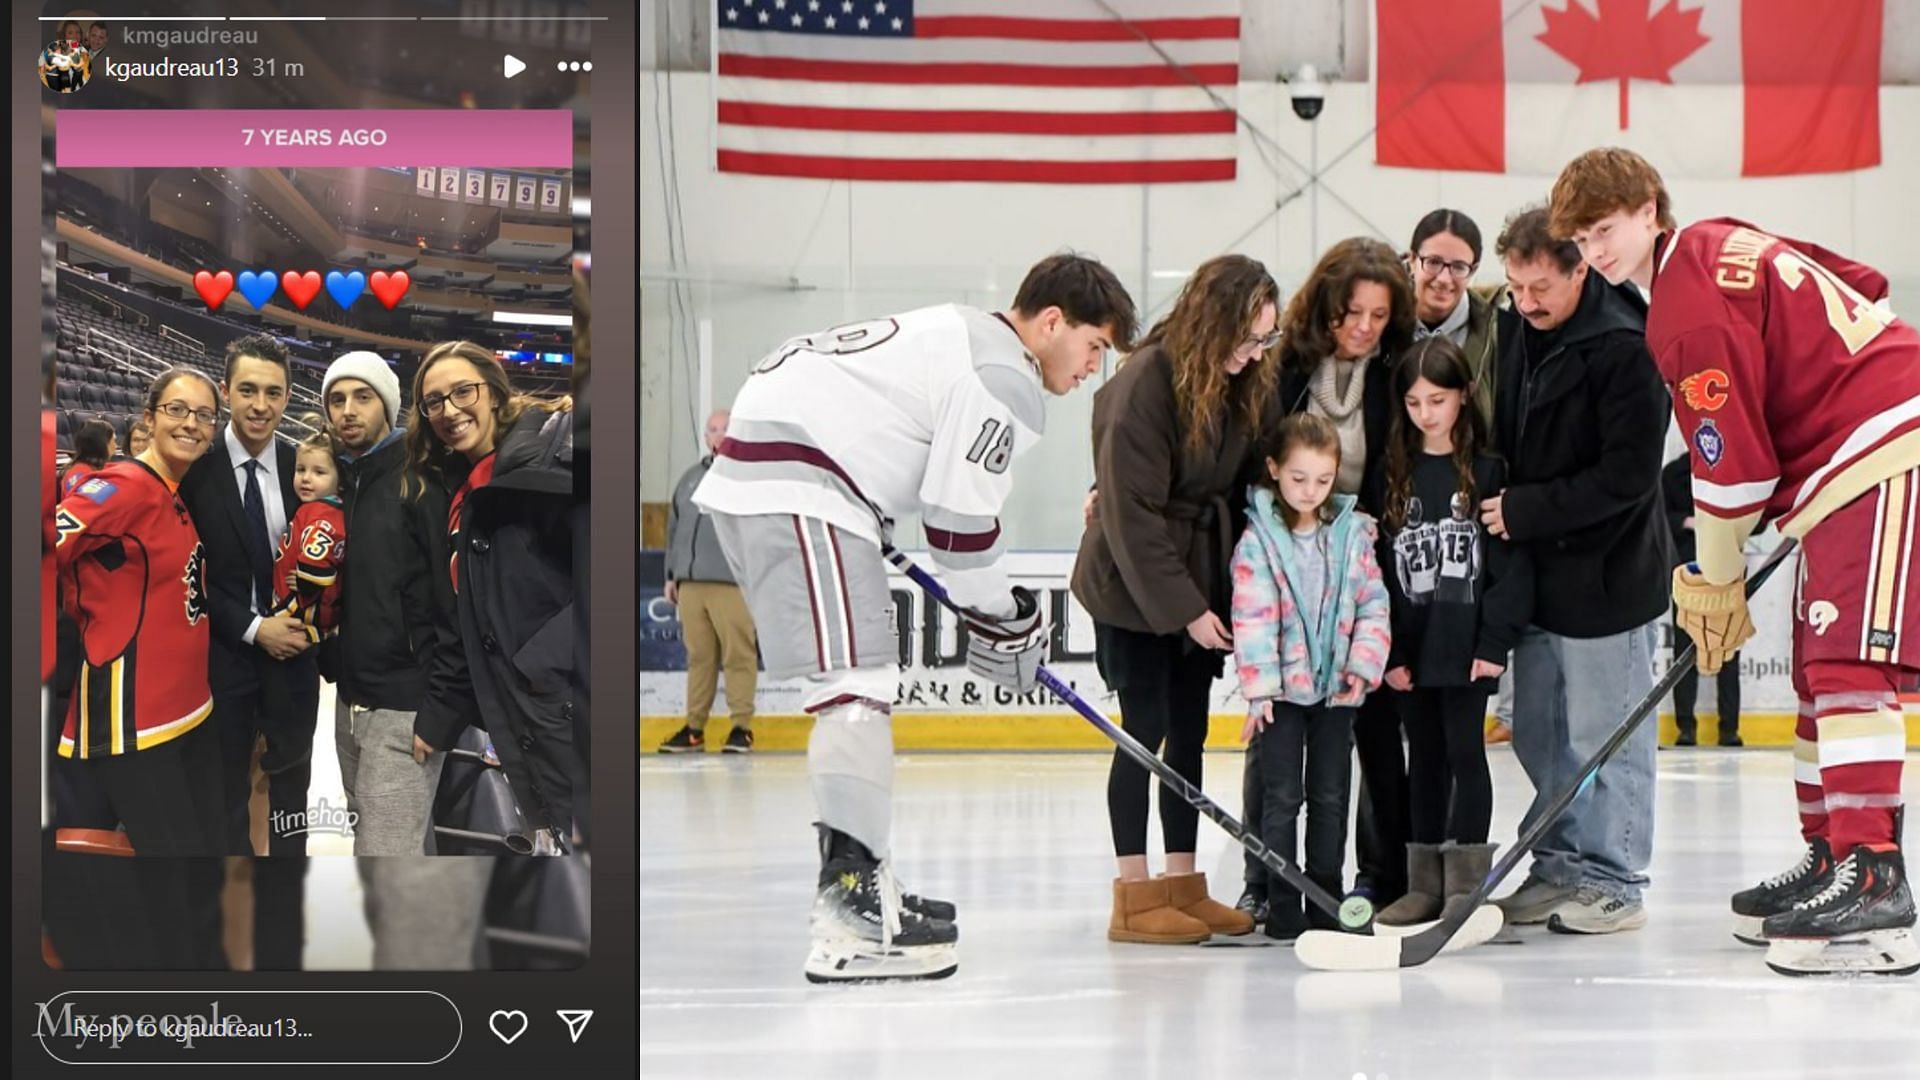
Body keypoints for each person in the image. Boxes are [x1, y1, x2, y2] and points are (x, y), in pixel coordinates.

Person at [697, 253, 1137, 981]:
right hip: (803, 486)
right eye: (1094, 345)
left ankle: (869, 888)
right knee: (856, 692)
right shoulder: (1005, 377)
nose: (1094, 365)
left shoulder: (966, 332)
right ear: (1052, 322)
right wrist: (1007, 618)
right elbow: (960, 532)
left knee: (861, 687)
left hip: (787, 477)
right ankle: (849, 918)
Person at [1553, 147, 1919, 976]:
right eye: (1581, 238)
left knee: (1848, 664)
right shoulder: (1723, 238)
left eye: (1604, 230)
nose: (1595, 251)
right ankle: (1833, 856)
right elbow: (1862, 280)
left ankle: (1876, 876)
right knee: (1819, 673)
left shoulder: (1683, 306)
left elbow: (1737, 469)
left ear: (1650, 208)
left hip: (1882, 443)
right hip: (1851, 452)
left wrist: (1714, 581)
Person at [1480, 204, 1672, 935]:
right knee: (1538, 730)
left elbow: (1626, 475)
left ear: (1580, 269)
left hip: (1608, 580)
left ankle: (1614, 878)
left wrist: (1527, 510)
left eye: (1540, 289)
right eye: (1515, 287)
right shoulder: (1515, 327)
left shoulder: (1626, 345)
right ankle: (1559, 862)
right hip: (1536, 577)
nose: (1525, 303)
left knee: (1608, 736)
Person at [1074, 255, 1274, 945]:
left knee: (1188, 732)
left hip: (1197, 578)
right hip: (1133, 585)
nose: (1252, 357)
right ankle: (1133, 894)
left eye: (1262, 343)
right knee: (1145, 729)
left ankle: (1183, 886)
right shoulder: (1146, 380)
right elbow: (1130, 511)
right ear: (1211, 321)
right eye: (1244, 339)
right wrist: (1184, 606)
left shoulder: (1235, 382)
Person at [1275, 237, 1418, 912]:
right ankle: (1270, 879)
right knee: (1281, 734)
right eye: (1350, 312)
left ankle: (1381, 874)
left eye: (1379, 315)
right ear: (1323, 307)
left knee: (1376, 727)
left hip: (1367, 566)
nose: (1363, 327)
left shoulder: (1398, 372)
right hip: (1291, 566)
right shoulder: (1287, 366)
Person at [1373, 339, 1530, 926]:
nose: (1425, 413)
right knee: (1426, 762)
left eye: (1437, 399)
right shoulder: (1394, 473)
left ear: (1463, 395)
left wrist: (1493, 645)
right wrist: (1388, 650)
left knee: (1465, 754)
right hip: (1410, 648)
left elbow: (1511, 571)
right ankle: (1424, 883)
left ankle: (1467, 883)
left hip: (1465, 649)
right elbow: (1380, 577)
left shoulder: (1489, 471)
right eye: (1413, 402)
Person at [408, 342, 583, 856]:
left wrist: (542, 664)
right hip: (528, 709)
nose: (450, 410)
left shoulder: (553, 458)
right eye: (434, 401)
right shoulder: (464, 486)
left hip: (560, 702)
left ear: (495, 391)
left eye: (464, 391)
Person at [178, 334, 314, 970]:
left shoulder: (303, 468)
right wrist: (257, 629)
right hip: (227, 659)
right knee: (228, 792)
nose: (260, 405)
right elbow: (198, 579)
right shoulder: (195, 471)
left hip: (296, 662)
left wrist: (311, 627)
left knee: (291, 790)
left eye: (274, 392)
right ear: (226, 390)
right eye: (249, 390)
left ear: (288, 398)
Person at [1231, 413, 1392, 940]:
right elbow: (1253, 616)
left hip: (1336, 694)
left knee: (1330, 794)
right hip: (1281, 698)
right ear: (1275, 470)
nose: (1310, 490)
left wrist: (1363, 667)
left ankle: (1326, 896)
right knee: (1283, 799)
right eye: (1298, 479)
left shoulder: (1351, 534)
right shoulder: (1259, 542)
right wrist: (1261, 689)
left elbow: (1372, 602)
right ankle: (1281, 900)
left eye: (1322, 480)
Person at [51, 368, 225, 854]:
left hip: (188, 711)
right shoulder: (122, 487)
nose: (191, 423)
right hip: (135, 725)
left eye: (204, 415)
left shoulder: (172, 491)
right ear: (149, 418)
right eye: (177, 409)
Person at [325, 352, 467, 857]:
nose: (348, 410)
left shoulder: (418, 483)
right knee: (399, 850)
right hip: (351, 706)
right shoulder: (341, 483)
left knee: (383, 858)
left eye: (362, 397)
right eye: (337, 399)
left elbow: (453, 605)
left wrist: (438, 710)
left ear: (387, 405)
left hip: (405, 709)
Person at [657, 409, 759, 754]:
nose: (718, 435)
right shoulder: (688, 479)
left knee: (738, 655)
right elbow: (674, 529)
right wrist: (672, 575)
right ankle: (695, 729)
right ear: (706, 438)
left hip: (732, 583)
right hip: (691, 584)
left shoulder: (749, 478)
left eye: (725, 429)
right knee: (699, 657)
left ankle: (741, 727)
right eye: (712, 430)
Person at [1661, 450, 1743, 747]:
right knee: (1685, 651)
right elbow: (1657, 515)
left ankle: (1729, 728)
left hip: (1725, 569)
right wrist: (1686, 522)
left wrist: (1725, 525)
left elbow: (1754, 518)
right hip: (1687, 571)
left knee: (1728, 650)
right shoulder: (1673, 474)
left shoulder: (1731, 469)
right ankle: (1686, 727)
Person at [1408, 209, 1499, 426]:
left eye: (1458, 267)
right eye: (1433, 262)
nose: (1443, 278)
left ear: (1473, 270)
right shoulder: (1383, 324)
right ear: (1412, 260)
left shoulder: (1496, 334)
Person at [59, 418, 115, 497]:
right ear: (102, 445)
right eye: (113, 441)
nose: (115, 446)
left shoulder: (101, 467)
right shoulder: (79, 473)